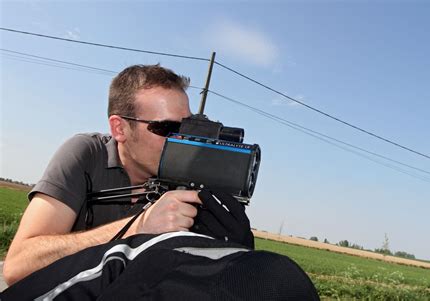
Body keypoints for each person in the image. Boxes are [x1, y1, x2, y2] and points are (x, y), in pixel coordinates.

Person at [3, 64, 252, 285]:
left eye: (186, 129)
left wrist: (227, 252)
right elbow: (17, 267)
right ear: (119, 128)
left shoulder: (186, 185)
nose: (180, 142)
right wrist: (139, 227)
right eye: (166, 128)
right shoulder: (87, 153)